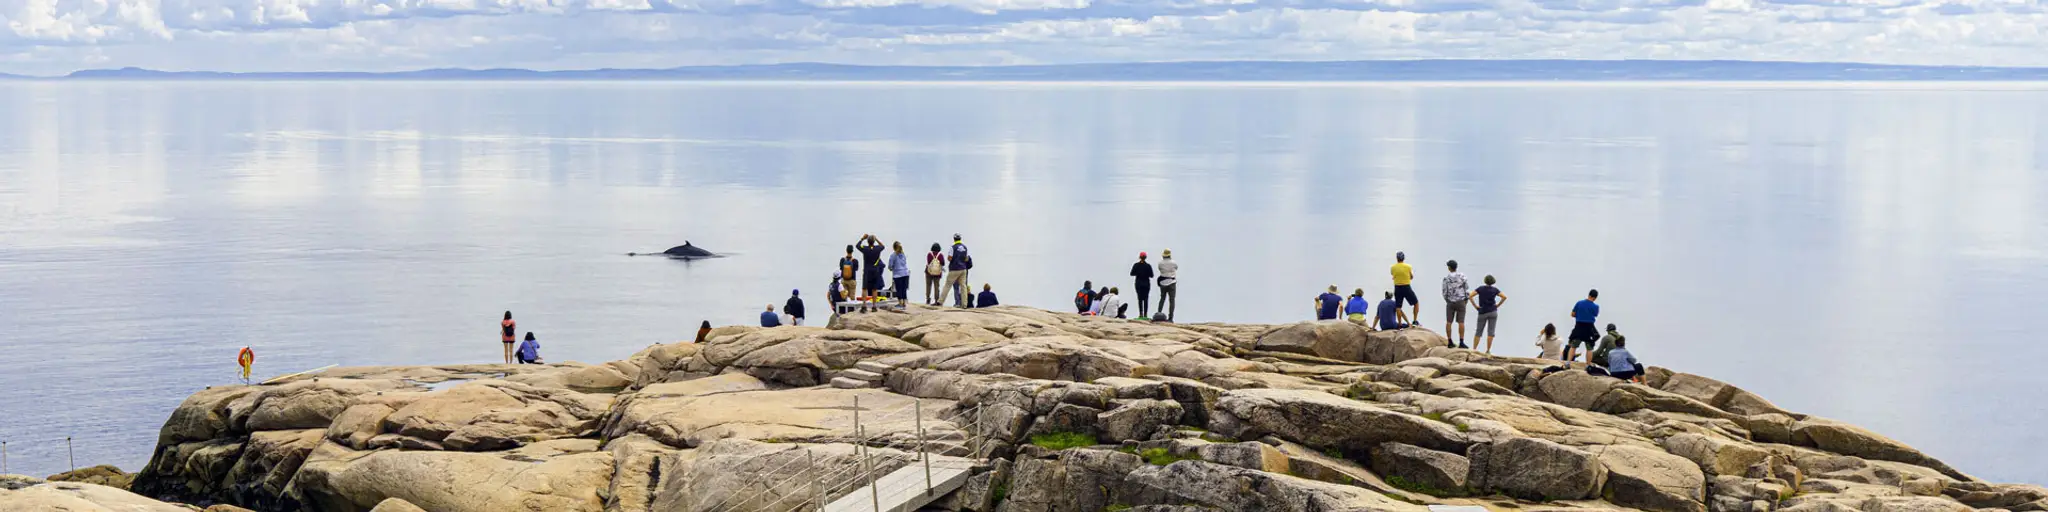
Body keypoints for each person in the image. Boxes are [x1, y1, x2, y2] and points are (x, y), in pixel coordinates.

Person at [1473, 275, 1507, 354]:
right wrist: (1497, 305)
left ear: (1485, 280)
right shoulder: (1495, 290)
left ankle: (1474, 349)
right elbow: (1504, 297)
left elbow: (1470, 296)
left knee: (1478, 331)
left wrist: (1475, 306)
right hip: (1493, 312)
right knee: (1491, 332)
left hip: (1482, 311)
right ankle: (1488, 350)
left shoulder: (1480, 289)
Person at [1441, 260, 1470, 348]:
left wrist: (1447, 300)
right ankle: (1461, 342)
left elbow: (1444, 291)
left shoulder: (1446, 278)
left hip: (1450, 302)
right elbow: (1466, 288)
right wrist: (1466, 299)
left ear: (1449, 268)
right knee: (1461, 322)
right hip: (1461, 301)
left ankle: (1450, 341)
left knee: (1449, 322)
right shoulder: (1462, 276)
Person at [1566, 290, 1601, 363]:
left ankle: (1568, 362)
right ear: (1595, 297)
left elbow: (1572, 314)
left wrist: (1579, 315)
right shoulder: (1596, 307)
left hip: (1579, 326)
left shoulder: (1579, 303)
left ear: (1589, 295)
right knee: (1589, 348)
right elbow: (1595, 315)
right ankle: (1588, 365)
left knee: (1573, 346)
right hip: (1589, 328)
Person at [942, 234, 971, 307]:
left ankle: (940, 301)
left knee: (948, 285)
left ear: (954, 239)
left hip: (954, 269)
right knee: (963, 286)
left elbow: (949, 258)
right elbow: (966, 258)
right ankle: (964, 304)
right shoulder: (965, 247)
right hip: (963, 269)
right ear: (960, 239)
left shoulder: (953, 247)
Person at [1391, 252, 1420, 325]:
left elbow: (1393, 275)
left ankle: (1400, 324)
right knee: (1416, 303)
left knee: (1398, 306)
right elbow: (1411, 277)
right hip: (1406, 287)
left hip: (1397, 287)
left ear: (1397, 258)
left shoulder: (1393, 267)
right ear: (1403, 258)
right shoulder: (1408, 266)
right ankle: (1415, 321)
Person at [1130, 253, 1155, 320]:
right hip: (1146, 284)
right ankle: (1145, 315)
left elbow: (1132, 273)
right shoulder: (1148, 266)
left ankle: (1140, 314)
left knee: (1140, 299)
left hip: (1138, 284)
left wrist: (1138, 273)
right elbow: (1152, 275)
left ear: (1139, 257)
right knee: (1146, 299)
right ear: (1145, 257)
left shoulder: (1136, 265)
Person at [1156, 249, 1179, 321]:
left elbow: (1160, 269)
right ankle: (1170, 317)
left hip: (1163, 282)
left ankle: (1159, 313)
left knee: (1162, 298)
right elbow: (1176, 268)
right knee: (1172, 300)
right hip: (1172, 282)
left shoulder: (1160, 263)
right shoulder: (1174, 263)